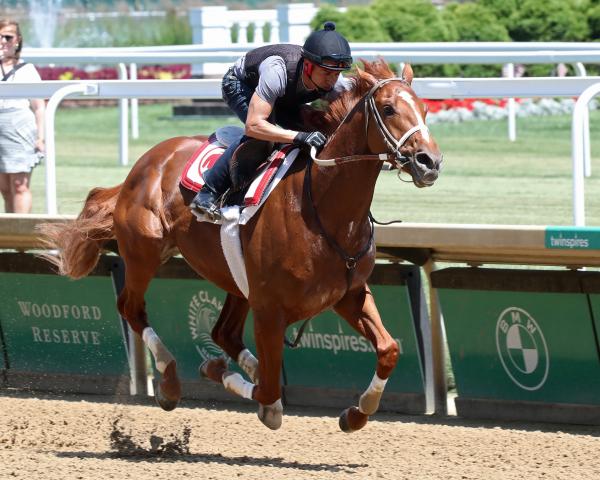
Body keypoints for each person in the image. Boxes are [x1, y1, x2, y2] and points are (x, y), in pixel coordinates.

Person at [190, 21, 353, 221]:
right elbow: (254, 125)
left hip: (284, 96)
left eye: (337, 73)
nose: (332, 80)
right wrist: (298, 136)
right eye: (327, 73)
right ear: (308, 65)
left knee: (319, 130)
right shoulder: (277, 70)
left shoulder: (335, 83)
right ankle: (208, 194)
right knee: (263, 137)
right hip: (241, 85)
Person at [0, 19, 45, 213]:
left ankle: (20, 242)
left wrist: (41, 137)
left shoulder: (27, 69)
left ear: (17, 40)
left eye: (7, 37)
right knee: (4, 188)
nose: (2, 41)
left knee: (19, 185)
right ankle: (12, 236)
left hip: (19, 128)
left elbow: (38, 107)